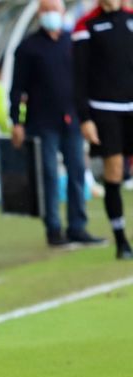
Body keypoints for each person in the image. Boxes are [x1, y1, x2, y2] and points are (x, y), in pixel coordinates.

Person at [11, 0, 104, 248]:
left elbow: (84, 80)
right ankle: (54, 230)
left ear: (63, 13)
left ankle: (77, 227)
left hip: (72, 119)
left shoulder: (71, 42)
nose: (51, 15)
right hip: (42, 122)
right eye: (46, 11)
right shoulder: (28, 47)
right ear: (39, 15)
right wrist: (16, 121)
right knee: (49, 176)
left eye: (55, 10)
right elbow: (17, 88)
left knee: (77, 173)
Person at [72, 0, 133, 259]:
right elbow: (78, 77)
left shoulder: (130, 19)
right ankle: (121, 241)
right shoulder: (86, 26)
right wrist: (85, 118)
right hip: (105, 110)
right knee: (115, 170)